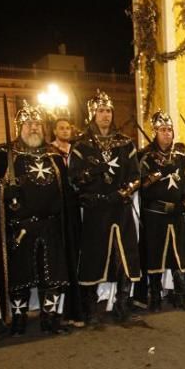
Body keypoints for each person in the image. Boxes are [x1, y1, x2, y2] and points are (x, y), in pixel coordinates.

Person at [0, 102, 76, 336]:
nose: (34, 128)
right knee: (19, 278)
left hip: (51, 225)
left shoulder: (54, 157)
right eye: (28, 124)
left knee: (52, 276)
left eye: (37, 124)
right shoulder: (3, 157)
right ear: (19, 127)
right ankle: (18, 319)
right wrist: (3, 192)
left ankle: (50, 318)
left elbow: (67, 192)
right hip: (19, 229)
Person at [69, 90, 141, 324]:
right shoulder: (81, 145)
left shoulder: (125, 142)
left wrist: (124, 191)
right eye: (101, 111)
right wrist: (91, 175)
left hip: (120, 207)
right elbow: (74, 179)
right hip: (95, 209)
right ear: (93, 114)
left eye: (108, 110)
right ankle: (90, 308)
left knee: (124, 256)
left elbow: (136, 175)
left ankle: (122, 303)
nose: (105, 115)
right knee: (94, 256)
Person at [138, 111, 185, 311]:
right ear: (155, 132)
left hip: (176, 214)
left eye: (169, 130)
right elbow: (142, 185)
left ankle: (181, 294)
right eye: (163, 130)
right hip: (155, 214)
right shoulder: (146, 157)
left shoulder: (179, 158)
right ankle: (155, 297)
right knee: (155, 255)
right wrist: (160, 172)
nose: (167, 134)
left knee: (179, 255)